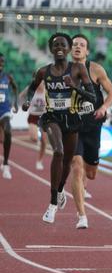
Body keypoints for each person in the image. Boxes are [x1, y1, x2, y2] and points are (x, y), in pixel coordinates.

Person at [22, 33, 96, 224]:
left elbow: (92, 97)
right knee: (58, 152)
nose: (59, 48)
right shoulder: (43, 72)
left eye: (63, 45)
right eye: (56, 45)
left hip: (71, 119)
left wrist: (74, 87)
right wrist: (28, 101)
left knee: (67, 162)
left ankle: (61, 189)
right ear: (51, 49)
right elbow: (31, 88)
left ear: (69, 49)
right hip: (51, 117)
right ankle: (53, 203)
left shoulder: (78, 68)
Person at [70, 33, 112, 229]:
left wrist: (104, 107)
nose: (78, 47)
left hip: (93, 127)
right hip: (73, 127)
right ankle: (82, 216)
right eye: (75, 45)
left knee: (91, 173)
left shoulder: (96, 69)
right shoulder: (62, 71)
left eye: (82, 45)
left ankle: (82, 185)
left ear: (87, 50)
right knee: (77, 166)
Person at [18, 80, 47, 170]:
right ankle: (36, 133)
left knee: (44, 141)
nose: (40, 85)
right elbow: (20, 96)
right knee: (34, 139)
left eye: (42, 83)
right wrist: (25, 103)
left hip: (43, 117)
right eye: (39, 83)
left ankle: (39, 160)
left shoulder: (47, 90)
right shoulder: (31, 89)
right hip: (33, 117)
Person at [0, 53, 18, 179]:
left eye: (2, 62)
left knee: (8, 132)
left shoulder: (7, 77)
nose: (1, 65)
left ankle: (6, 164)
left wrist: (15, 103)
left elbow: (15, 88)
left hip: (4, 110)